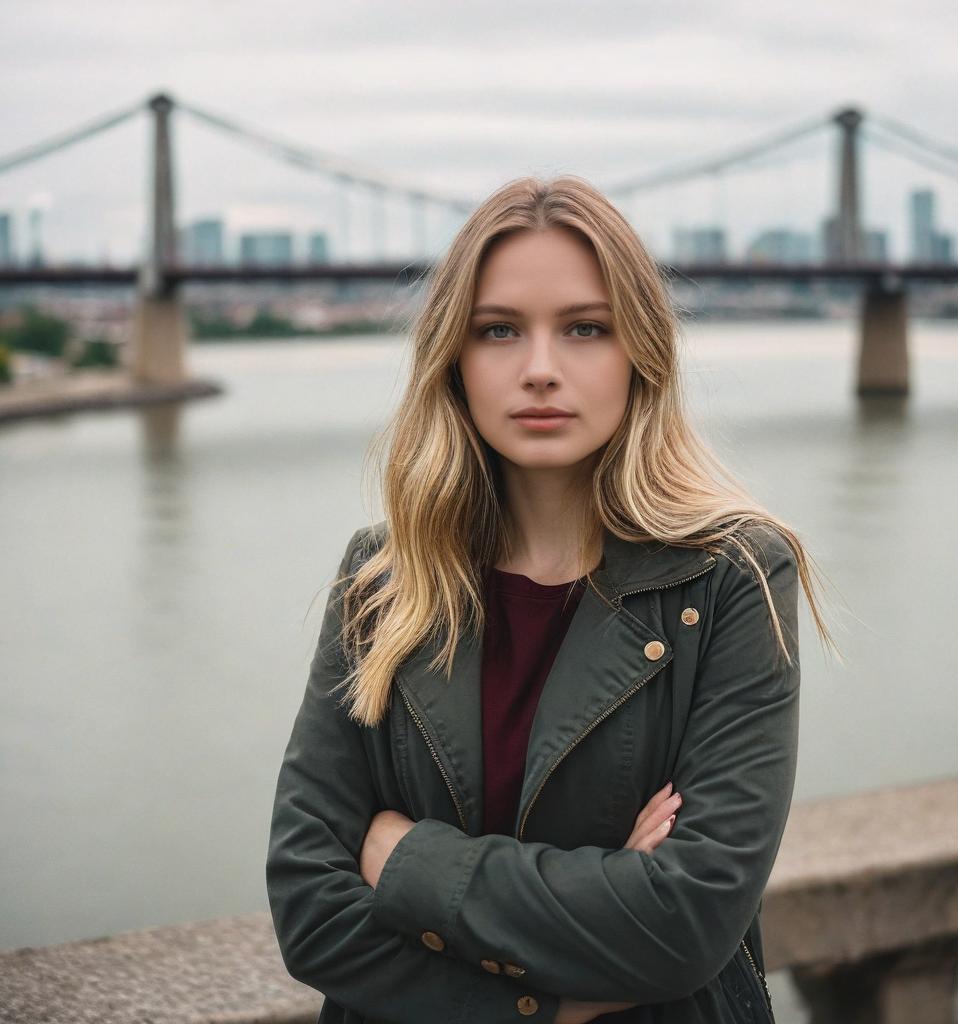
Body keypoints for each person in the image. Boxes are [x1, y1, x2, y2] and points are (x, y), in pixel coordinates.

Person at [266, 175, 837, 1024]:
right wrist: (554, 1003)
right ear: (453, 360)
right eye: (498, 330)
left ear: (640, 351)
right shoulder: (380, 583)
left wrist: (407, 860)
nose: (540, 370)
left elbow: (686, 924)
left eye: (584, 329)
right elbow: (313, 914)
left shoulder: (732, 580)